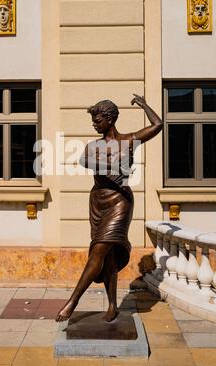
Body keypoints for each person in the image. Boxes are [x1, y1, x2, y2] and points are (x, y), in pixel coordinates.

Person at [56, 94, 163, 323]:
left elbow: (158, 125)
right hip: (98, 201)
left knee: (98, 250)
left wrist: (144, 104)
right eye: (93, 120)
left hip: (120, 202)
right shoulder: (93, 146)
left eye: (97, 120)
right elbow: (84, 162)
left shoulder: (128, 141)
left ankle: (73, 301)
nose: (94, 124)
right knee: (109, 255)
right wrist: (112, 165)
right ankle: (113, 305)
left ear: (110, 119)